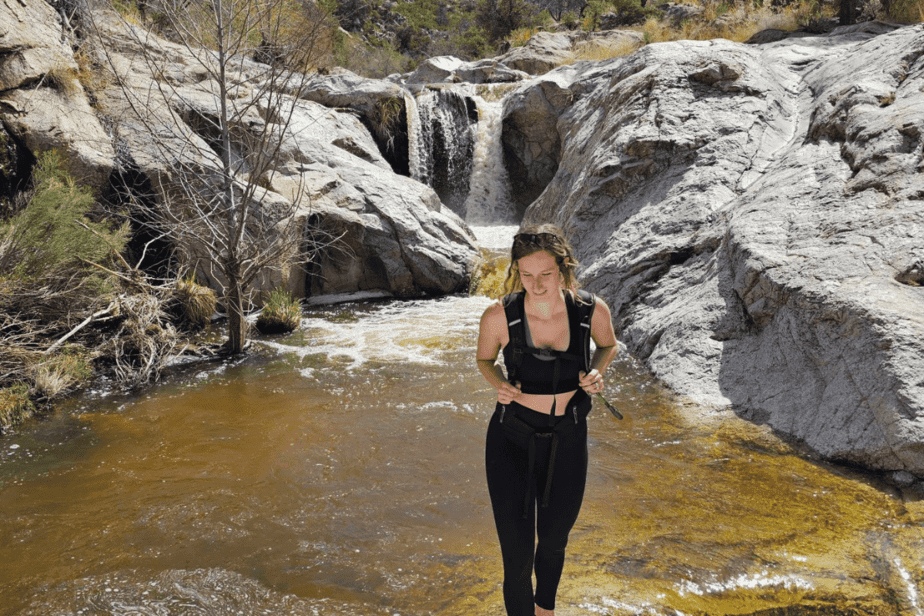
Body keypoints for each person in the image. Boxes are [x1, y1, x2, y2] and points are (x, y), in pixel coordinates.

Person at [476, 224, 618, 616]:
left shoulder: (591, 311)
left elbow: (608, 345)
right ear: (515, 272)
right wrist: (499, 384)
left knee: (554, 541)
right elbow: (484, 360)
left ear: (563, 269)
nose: (535, 285)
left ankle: (546, 610)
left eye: (546, 275)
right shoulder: (498, 316)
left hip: (568, 438)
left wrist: (597, 371)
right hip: (511, 441)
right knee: (517, 556)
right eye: (526, 275)